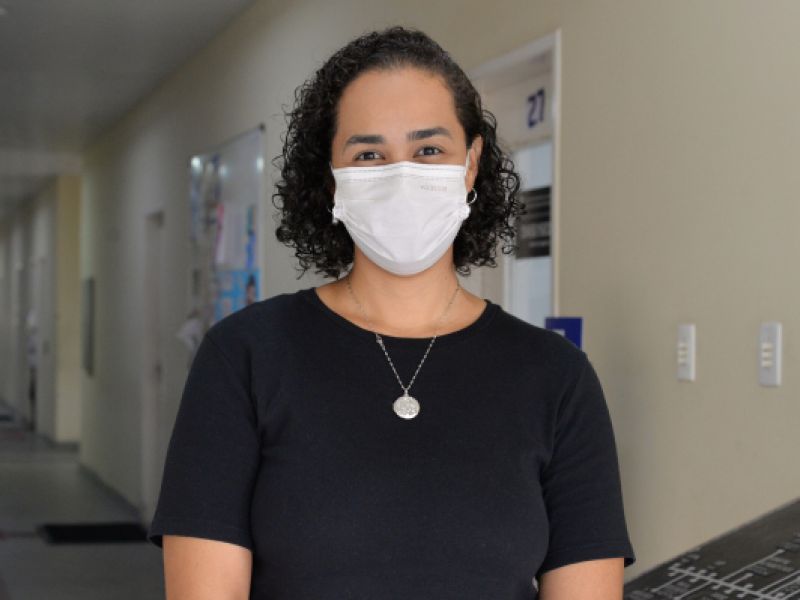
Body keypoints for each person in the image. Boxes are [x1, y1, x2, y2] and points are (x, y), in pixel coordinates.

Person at [147, 26, 636, 600]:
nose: (401, 174)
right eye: (369, 154)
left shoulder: (557, 377)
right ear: (331, 176)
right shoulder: (244, 357)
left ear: (472, 163)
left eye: (429, 150)